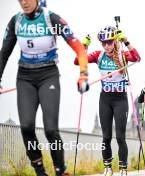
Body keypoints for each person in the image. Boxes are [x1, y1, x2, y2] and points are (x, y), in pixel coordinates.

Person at [0, 0, 89, 175]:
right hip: (25, 77)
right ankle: (40, 171)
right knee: (26, 127)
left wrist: (83, 74)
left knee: (50, 130)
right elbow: (4, 52)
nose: (24, 2)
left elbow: (79, 48)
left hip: (48, 76)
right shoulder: (16, 21)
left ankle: (60, 169)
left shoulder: (51, 19)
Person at [75, 26, 140, 176]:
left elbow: (137, 58)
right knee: (106, 136)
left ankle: (123, 168)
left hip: (120, 99)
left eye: (109, 42)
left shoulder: (122, 55)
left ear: (114, 41)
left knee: (120, 136)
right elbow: (78, 61)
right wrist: (84, 46)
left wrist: (126, 40)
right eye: (103, 43)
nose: (106, 46)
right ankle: (108, 167)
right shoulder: (99, 55)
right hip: (105, 99)